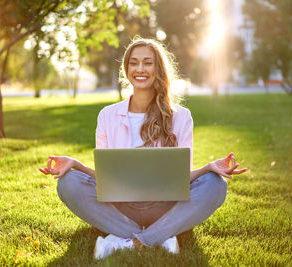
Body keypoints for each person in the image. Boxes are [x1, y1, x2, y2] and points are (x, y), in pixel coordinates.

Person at [39, 37, 247, 259]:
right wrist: (76, 164)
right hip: (119, 207)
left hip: (164, 207)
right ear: (126, 68)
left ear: (158, 68)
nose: (140, 69)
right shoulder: (107, 116)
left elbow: (180, 178)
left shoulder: (181, 117)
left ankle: (129, 240)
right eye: (134, 62)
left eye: (147, 62)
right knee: (68, 182)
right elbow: (107, 178)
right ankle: (161, 238)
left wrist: (208, 168)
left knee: (215, 184)